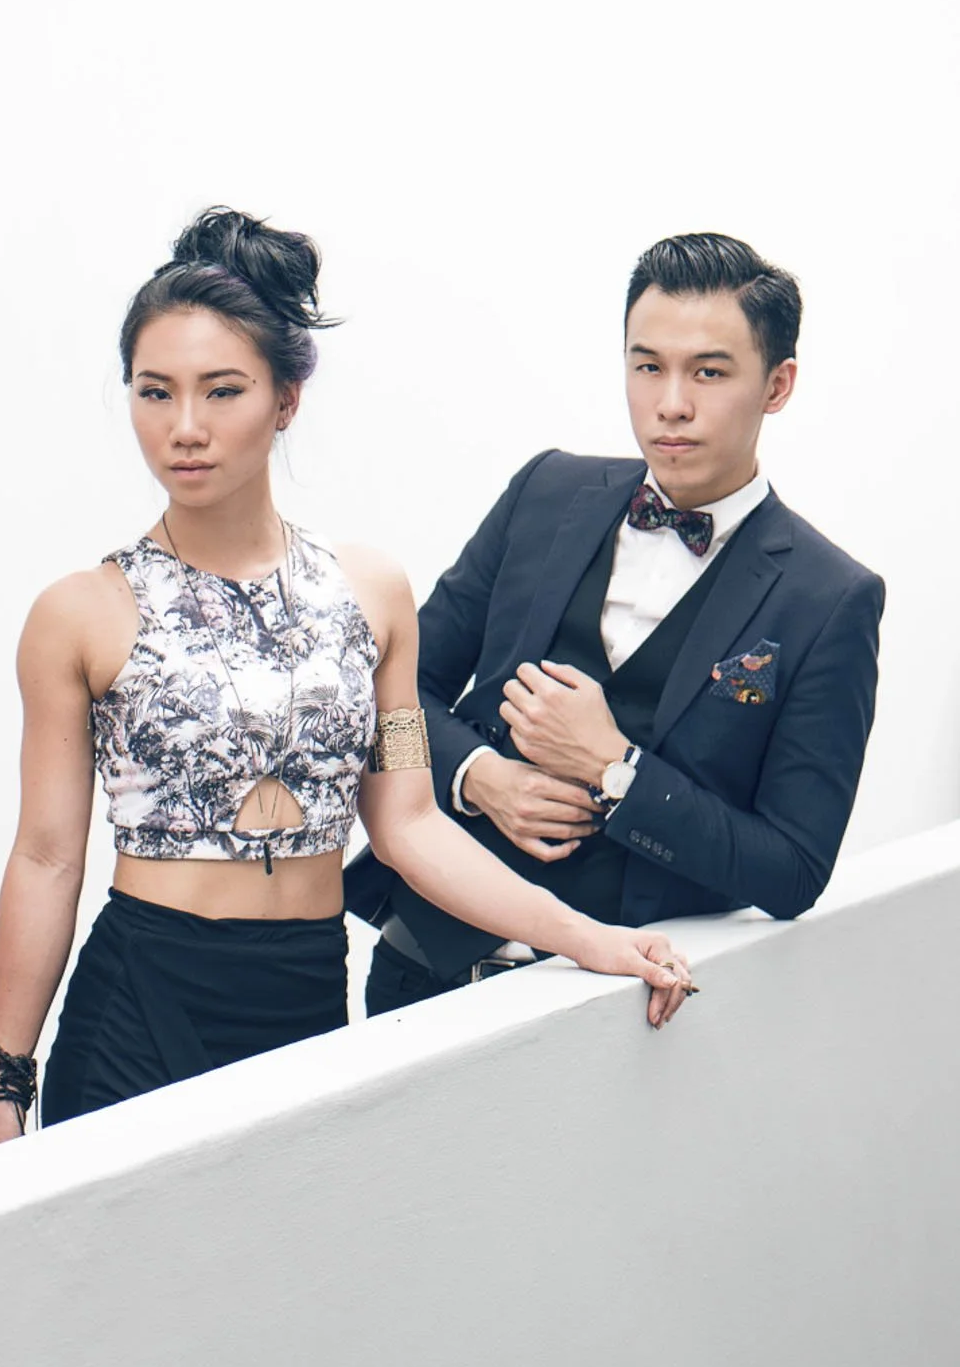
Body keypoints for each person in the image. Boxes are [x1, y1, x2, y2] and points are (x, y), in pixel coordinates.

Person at [0, 209, 692, 1150]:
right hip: (139, 1000)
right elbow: (46, 858)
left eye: (222, 391)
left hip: (305, 995)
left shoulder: (371, 597)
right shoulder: (80, 613)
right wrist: (1, 1085)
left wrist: (587, 940)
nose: (184, 428)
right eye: (154, 392)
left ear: (286, 400)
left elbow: (409, 824)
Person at [348, 231, 882, 1013]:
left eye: (709, 372)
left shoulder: (829, 597)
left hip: (612, 1012)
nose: (671, 403)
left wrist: (617, 768)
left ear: (778, 384)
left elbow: (792, 870)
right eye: (647, 366)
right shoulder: (545, 492)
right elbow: (396, 697)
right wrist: (477, 776)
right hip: (420, 965)